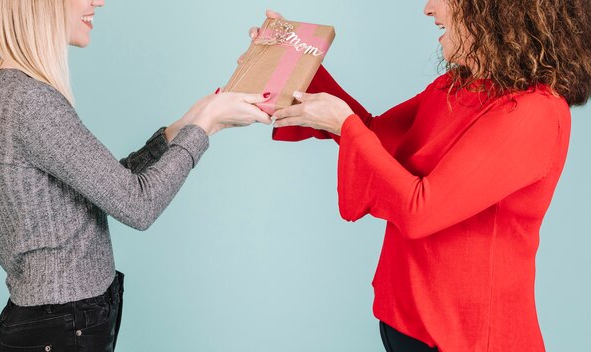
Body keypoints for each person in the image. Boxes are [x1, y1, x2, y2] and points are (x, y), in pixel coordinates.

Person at [252, 1, 591, 351]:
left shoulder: (535, 113)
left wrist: (343, 124)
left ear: (496, 10)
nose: (428, 8)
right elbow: (374, 136)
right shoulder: (460, 86)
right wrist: (292, 62)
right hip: (407, 324)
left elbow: (421, 211)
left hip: (467, 340)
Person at [0, 0, 272, 351]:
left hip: (58, 323)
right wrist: (205, 127)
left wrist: (185, 126)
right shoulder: (29, 100)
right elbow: (138, 205)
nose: (98, 1)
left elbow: (106, 186)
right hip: (61, 329)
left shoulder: (7, 90)